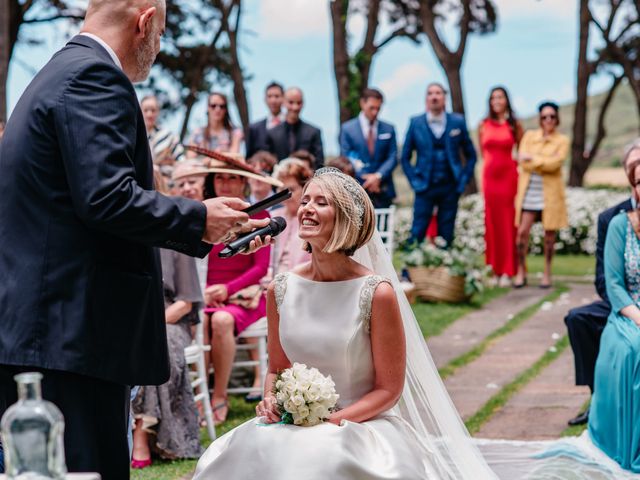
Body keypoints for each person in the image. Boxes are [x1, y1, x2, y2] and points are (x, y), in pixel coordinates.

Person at [0, 1, 268, 478]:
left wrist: (203, 228)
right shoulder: (94, 78)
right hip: (71, 336)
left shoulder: (54, 73)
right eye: (161, 33)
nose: (159, 46)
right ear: (144, 22)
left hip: (47, 332)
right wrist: (197, 218)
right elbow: (106, 197)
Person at [202, 154, 282, 425]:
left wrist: (227, 288)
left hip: (244, 295)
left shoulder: (260, 214)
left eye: (232, 178)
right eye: (220, 177)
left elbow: (260, 269)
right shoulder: (205, 215)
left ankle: (219, 396)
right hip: (207, 293)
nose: (225, 184)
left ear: (243, 182)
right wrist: (206, 290)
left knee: (222, 320)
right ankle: (200, 396)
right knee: (199, 319)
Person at [131, 172, 203, 468]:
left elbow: (186, 302)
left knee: (157, 344)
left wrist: (151, 322)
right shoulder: (127, 237)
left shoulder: (177, 236)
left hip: (172, 318)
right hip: (134, 316)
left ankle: (140, 434)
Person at [564, 142, 638, 427]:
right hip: (618, 300)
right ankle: (598, 398)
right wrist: (625, 307)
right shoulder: (612, 218)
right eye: (633, 166)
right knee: (578, 319)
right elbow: (603, 277)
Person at [589, 149, 640, 473]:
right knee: (634, 348)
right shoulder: (620, 225)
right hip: (629, 311)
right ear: (634, 187)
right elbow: (614, 283)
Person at [401, 82, 477, 246]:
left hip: (450, 186)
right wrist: (415, 181)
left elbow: (471, 155)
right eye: (430, 93)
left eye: (438, 93)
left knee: (447, 233)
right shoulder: (416, 122)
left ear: (445, 98)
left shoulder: (457, 121)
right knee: (417, 231)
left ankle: (445, 270)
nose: (434, 97)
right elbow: (405, 157)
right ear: (426, 99)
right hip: (424, 185)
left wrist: (462, 181)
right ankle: (409, 271)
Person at [514, 101, 569, 288]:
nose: (548, 120)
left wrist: (534, 159)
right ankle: (521, 271)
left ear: (557, 119)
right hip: (530, 192)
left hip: (550, 194)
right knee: (522, 233)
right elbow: (522, 161)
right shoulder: (529, 136)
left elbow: (556, 164)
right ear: (540, 119)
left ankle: (547, 272)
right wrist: (545, 160)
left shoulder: (562, 140)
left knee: (549, 236)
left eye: (552, 116)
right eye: (545, 117)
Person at [479, 86, 523, 287]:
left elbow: (521, 151)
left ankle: (508, 270)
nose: (497, 100)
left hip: (508, 177)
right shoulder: (483, 125)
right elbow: (483, 152)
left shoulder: (514, 125)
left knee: (507, 223)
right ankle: (494, 270)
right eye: (493, 97)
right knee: (492, 223)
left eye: (500, 97)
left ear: (506, 100)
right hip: (490, 178)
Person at [339, 87, 398, 208]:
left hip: (383, 189)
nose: (375, 112)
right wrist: (366, 177)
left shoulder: (389, 129)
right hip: (357, 188)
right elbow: (347, 155)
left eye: (378, 108)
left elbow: (393, 156)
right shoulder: (347, 129)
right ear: (362, 103)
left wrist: (378, 176)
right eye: (372, 108)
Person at [270, 158, 313, 275]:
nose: (286, 196)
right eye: (281, 190)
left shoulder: (313, 219)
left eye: (291, 190)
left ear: (305, 188)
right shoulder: (273, 217)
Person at [266, 87, 324, 168]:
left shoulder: (314, 132)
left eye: (299, 103)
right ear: (283, 103)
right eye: (291, 102)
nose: (295, 107)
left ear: (303, 103)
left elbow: (319, 164)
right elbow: (269, 164)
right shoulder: (272, 133)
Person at [141, 94, 185, 169]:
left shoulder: (169, 136)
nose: (149, 114)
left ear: (158, 112)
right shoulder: (134, 136)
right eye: (146, 110)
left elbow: (182, 161)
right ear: (140, 112)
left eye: (153, 110)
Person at [245, 82, 285, 157]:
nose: (273, 100)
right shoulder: (254, 129)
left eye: (277, 96)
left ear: (284, 98)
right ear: (265, 99)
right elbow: (249, 157)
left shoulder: (292, 126)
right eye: (269, 96)